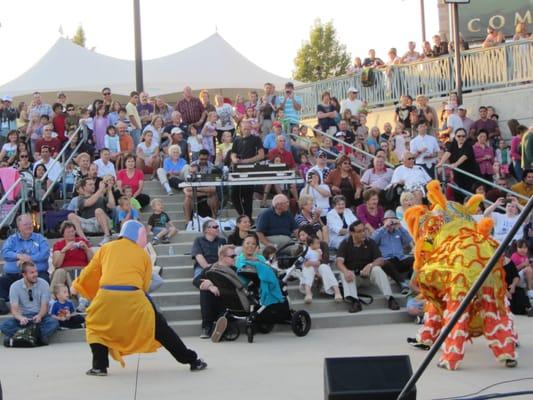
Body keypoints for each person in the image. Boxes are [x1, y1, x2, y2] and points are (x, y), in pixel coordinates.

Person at [73, 220, 206, 375]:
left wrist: (79, 286)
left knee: (95, 328)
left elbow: (90, 272)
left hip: (106, 296)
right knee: (160, 328)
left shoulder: (106, 248)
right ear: (139, 235)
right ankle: (192, 361)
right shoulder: (143, 254)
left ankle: (99, 366)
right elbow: (144, 284)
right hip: (134, 296)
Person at [336, 221, 400, 313]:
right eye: (359, 231)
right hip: (353, 277)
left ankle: (390, 298)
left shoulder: (370, 242)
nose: (363, 233)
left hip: (368, 276)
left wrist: (370, 265)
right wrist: (346, 272)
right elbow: (339, 262)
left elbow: (380, 260)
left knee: (377, 269)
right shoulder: (345, 243)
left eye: (364, 230)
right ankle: (354, 301)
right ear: (352, 233)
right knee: (344, 272)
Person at [0, 261, 59, 346]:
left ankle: (21, 338)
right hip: (23, 319)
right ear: (24, 274)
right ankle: (37, 338)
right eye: (32, 272)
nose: (35, 274)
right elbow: (14, 310)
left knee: (53, 323)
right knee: (5, 326)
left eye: (36, 271)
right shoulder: (15, 286)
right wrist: (20, 318)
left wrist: (40, 315)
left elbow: (44, 306)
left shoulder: (44, 283)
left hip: (40, 318)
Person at [0, 214, 50, 306]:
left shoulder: (40, 238)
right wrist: (18, 256)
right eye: (26, 224)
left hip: (37, 274)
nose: (29, 226)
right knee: (1, 281)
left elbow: (45, 254)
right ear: (19, 227)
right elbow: (5, 253)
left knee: (44, 279)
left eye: (31, 223)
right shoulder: (12, 239)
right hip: (15, 274)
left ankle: (41, 304)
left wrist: (29, 258)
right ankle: (7, 304)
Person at [191, 220, 227, 338]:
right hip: (203, 267)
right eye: (215, 226)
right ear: (206, 229)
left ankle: (219, 322)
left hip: (218, 266)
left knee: (217, 286)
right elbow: (198, 256)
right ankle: (207, 326)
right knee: (202, 284)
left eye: (218, 226)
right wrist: (208, 269)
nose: (217, 228)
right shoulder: (199, 240)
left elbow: (223, 258)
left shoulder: (222, 241)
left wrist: (215, 268)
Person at [198, 245, 239, 343]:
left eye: (235, 256)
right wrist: (209, 285)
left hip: (228, 302)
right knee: (204, 289)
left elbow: (235, 288)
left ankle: (222, 325)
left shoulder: (234, 270)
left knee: (224, 312)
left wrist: (216, 286)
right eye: (232, 256)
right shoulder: (211, 268)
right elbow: (196, 280)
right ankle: (207, 327)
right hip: (213, 302)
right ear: (222, 257)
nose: (235, 258)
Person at [371, 210, 413, 294]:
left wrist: (400, 226)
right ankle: (402, 283)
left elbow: (409, 240)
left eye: (392, 221)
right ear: (384, 221)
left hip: (400, 259)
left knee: (415, 259)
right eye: (388, 220)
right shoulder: (380, 232)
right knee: (386, 262)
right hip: (388, 261)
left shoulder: (399, 231)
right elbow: (372, 241)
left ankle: (412, 279)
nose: (391, 223)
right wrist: (384, 227)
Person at [230, 122, 265, 218]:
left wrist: (246, 161)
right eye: (245, 128)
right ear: (241, 129)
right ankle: (244, 217)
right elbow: (233, 153)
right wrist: (234, 159)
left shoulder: (256, 139)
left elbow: (261, 155)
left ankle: (247, 218)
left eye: (249, 128)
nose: (247, 130)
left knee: (247, 196)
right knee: (234, 195)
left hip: (250, 169)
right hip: (238, 170)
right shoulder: (237, 140)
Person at [67, 177, 115, 245]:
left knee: (98, 211)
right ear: (84, 187)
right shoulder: (80, 199)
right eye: (90, 184)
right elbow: (89, 202)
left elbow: (112, 206)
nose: (93, 186)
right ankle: (84, 240)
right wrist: (100, 190)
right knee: (71, 216)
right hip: (88, 224)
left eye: (93, 184)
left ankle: (107, 236)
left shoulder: (101, 197)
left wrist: (109, 190)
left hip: (101, 223)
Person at [436, 128, 479, 200]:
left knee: (468, 197)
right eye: (459, 136)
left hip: (469, 176)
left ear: (466, 137)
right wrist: (441, 163)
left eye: (463, 136)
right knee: (458, 196)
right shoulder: (453, 144)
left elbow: (464, 156)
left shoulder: (468, 145)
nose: (461, 138)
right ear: (455, 136)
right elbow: (448, 153)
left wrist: (455, 164)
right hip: (458, 175)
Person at [51, 221, 93, 291]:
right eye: (68, 232)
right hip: (65, 270)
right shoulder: (59, 244)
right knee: (59, 272)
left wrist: (86, 249)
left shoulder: (82, 241)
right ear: (63, 233)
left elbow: (93, 261)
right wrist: (64, 250)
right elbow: (57, 264)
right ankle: (52, 298)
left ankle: (81, 297)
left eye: (72, 231)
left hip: (82, 269)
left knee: (87, 272)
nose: (71, 234)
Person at [299, 235, 342, 304]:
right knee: (308, 268)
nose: (319, 245)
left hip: (319, 269)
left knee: (324, 267)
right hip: (310, 270)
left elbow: (321, 261)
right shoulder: (307, 250)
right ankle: (308, 293)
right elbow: (305, 263)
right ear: (311, 244)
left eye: (319, 243)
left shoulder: (319, 250)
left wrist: (318, 260)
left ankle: (337, 291)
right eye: (317, 243)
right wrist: (314, 266)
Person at [182, 149, 219, 222]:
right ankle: (188, 222)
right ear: (198, 157)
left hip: (204, 191)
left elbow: (214, 189)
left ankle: (214, 219)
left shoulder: (212, 166)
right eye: (202, 159)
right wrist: (206, 192)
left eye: (206, 159)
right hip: (201, 192)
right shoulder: (192, 165)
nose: (204, 161)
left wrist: (195, 190)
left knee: (213, 195)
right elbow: (187, 190)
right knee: (187, 198)